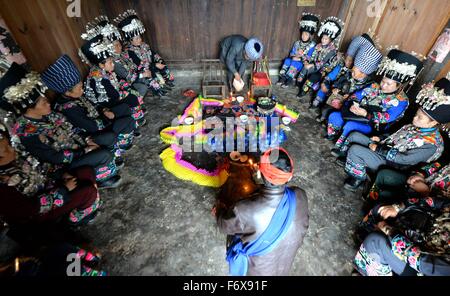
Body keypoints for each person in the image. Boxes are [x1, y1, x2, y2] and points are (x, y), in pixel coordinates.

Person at [0, 63, 122, 189]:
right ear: (29, 110)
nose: (48, 103)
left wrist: (86, 140)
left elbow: (71, 128)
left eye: (45, 99)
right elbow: (54, 157)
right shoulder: (26, 132)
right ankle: (101, 179)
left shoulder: (50, 114)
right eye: (43, 102)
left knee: (110, 137)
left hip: (80, 144)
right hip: (65, 164)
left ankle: (105, 163)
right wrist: (83, 151)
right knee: (104, 155)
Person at [343, 78, 450, 191]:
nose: (414, 118)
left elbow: (404, 159)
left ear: (433, 123)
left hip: (391, 165)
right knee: (353, 135)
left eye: (419, 117)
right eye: (416, 114)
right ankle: (353, 161)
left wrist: (378, 148)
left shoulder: (432, 143)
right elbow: (394, 135)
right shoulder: (413, 126)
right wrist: (380, 138)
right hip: (383, 148)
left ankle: (358, 178)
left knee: (355, 150)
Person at [216, 148, 309, 276]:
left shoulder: (244, 210)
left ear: (261, 172)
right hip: (284, 264)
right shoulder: (300, 196)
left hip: (256, 270)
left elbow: (223, 225)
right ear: (289, 176)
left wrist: (219, 209)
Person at [41, 54, 137, 166]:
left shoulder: (76, 95)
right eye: (79, 88)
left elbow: (94, 105)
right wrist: (107, 117)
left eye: (81, 87)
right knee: (123, 123)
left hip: (100, 119)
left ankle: (121, 140)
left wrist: (104, 110)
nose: (82, 90)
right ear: (68, 92)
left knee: (124, 108)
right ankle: (114, 150)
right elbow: (92, 127)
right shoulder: (67, 108)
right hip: (91, 134)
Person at [0, 123, 100, 226]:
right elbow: (27, 210)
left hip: (50, 183)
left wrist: (62, 175)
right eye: (5, 150)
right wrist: (63, 190)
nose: (11, 149)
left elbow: (41, 167)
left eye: (8, 145)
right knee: (88, 191)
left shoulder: (16, 156)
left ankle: (84, 205)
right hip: (43, 209)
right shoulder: (3, 184)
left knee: (86, 171)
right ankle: (73, 219)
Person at [328, 49, 423, 156]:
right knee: (334, 116)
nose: (383, 85)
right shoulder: (374, 86)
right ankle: (333, 135)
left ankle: (342, 150)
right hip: (357, 114)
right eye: (383, 81)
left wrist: (365, 114)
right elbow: (357, 95)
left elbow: (387, 117)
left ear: (399, 86)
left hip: (374, 126)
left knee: (350, 125)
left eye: (388, 84)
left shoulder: (401, 100)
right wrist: (354, 103)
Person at [353, 195, 450, 276]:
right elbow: (432, 202)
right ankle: (366, 247)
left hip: (420, 268)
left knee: (376, 241)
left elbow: (422, 262)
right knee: (381, 209)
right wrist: (397, 207)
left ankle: (368, 268)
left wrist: (389, 231)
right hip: (425, 237)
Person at [79, 27, 147, 127]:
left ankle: (136, 112)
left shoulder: (104, 71)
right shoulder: (98, 77)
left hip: (113, 94)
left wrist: (126, 86)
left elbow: (116, 82)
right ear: (101, 65)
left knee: (131, 89)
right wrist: (126, 92)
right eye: (110, 62)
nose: (113, 65)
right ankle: (137, 120)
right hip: (105, 102)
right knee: (131, 97)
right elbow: (113, 95)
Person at [311, 33, 382, 120]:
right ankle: (323, 113)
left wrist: (348, 98)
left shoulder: (369, 84)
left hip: (350, 103)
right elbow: (337, 80)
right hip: (336, 94)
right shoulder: (346, 70)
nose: (348, 63)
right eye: (347, 59)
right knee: (326, 103)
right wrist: (332, 86)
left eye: (351, 61)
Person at [115, 10, 174, 94]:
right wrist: (154, 65)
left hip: (151, 65)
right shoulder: (129, 51)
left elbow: (153, 54)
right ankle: (157, 88)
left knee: (163, 66)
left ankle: (166, 82)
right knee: (151, 72)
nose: (140, 40)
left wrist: (159, 60)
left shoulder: (144, 45)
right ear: (130, 41)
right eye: (136, 38)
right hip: (142, 69)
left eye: (139, 37)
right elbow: (139, 64)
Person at [296, 16, 344, 98]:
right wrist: (307, 61)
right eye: (322, 38)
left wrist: (311, 65)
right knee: (305, 67)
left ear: (330, 40)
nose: (323, 40)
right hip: (314, 65)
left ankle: (303, 91)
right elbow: (311, 56)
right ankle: (299, 83)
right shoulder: (318, 45)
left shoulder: (332, 50)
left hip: (323, 70)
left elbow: (324, 62)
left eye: (326, 39)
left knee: (313, 76)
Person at [277, 13, 320, 88]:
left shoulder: (312, 45)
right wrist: (294, 56)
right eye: (303, 34)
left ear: (310, 36)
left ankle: (289, 80)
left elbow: (310, 57)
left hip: (302, 62)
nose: (304, 36)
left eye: (306, 35)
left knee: (295, 63)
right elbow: (292, 53)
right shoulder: (297, 43)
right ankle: (282, 78)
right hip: (294, 59)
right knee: (287, 60)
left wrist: (300, 58)